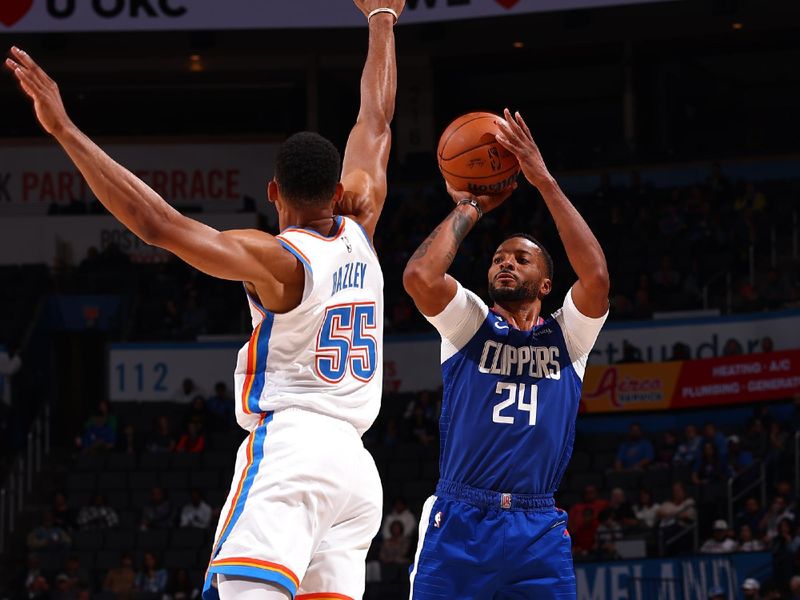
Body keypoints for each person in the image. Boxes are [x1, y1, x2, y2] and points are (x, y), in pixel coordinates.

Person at [4, 2, 403, 597]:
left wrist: (64, 129)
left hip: (293, 455)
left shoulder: (277, 259)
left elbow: (156, 224)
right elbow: (375, 121)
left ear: (273, 192)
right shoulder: (363, 221)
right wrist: (381, 18)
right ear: (339, 188)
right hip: (356, 471)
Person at [402, 109, 610, 596]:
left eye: (521, 259)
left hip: (537, 526)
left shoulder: (569, 338)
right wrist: (470, 207)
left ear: (546, 283)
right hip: (460, 520)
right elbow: (419, 278)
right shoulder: (469, 324)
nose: (505, 263)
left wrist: (543, 181)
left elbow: (596, 278)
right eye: (498, 258)